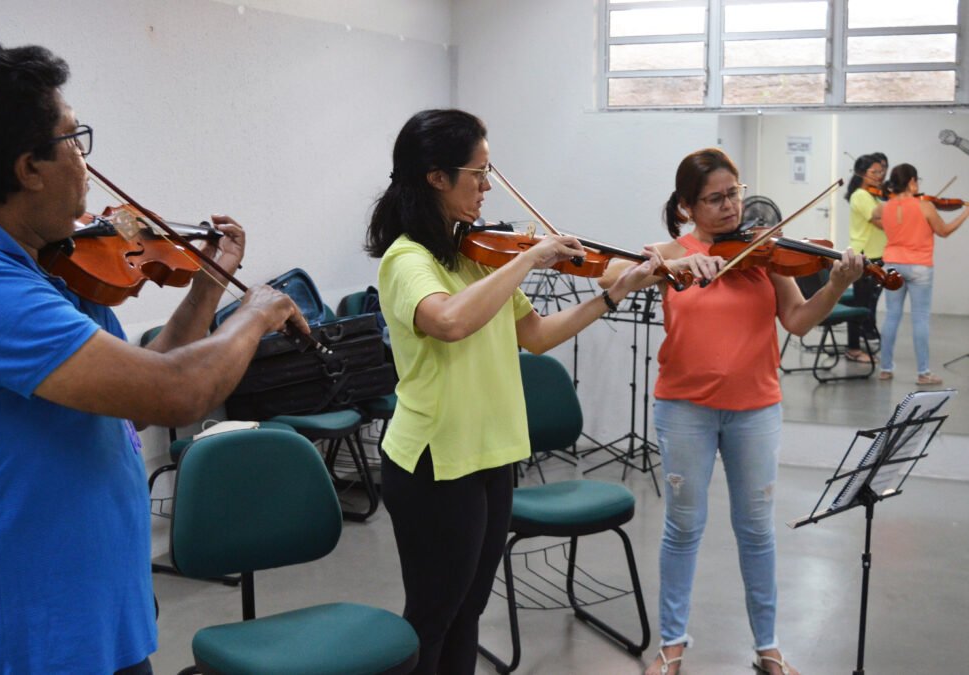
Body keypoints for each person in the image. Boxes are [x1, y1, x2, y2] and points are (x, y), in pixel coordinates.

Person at [0, 42, 307, 674]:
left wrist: (209, 283)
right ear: (30, 167)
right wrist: (256, 312)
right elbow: (173, 393)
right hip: (24, 638)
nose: (86, 164)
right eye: (74, 140)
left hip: (95, 616)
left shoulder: (51, 269)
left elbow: (137, 394)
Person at [364, 108, 660, 674]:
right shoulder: (409, 259)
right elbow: (448, 322)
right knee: (433, 614)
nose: (486, 187)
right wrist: (529, 258)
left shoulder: (477, 255)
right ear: (435, 176)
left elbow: (538, 335)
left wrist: (612, 295)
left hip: (492, 452)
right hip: (435, 460)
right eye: (477, 173)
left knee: (469, 610)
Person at [597, 148, 865, 675]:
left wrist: (835, 284)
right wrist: (671, 266)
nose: (729, 207)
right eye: (714, 199)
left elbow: (798, 321)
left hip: (755, 410)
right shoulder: (669, 252)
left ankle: (768, 646)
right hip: (684, 409)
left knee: (757, 530)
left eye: (734, 193)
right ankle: (672, 643)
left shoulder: (764, 254)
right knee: (682, 528)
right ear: (687, 207)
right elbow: (611, 278)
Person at [877, 163, 968, 385]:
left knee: (891, 316)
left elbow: (874, 217)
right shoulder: (925, 206)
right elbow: (944, 231)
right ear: (911, 182)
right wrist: (966, 213)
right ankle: (923, 373)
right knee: (919, 319)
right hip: (919, 266)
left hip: (892, 265)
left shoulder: (884, 207)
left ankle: (885, 369)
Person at [844, 153, 887, 364]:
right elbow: (880, 222)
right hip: (863, 256)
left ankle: (861, 343)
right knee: (860, 305)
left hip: (876, 255)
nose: (879, 176)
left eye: (881, 171)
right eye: (874, 172)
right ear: (862, 173)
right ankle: (853, 348)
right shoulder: (860, 195)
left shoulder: (874, 196)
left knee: (868, 304)